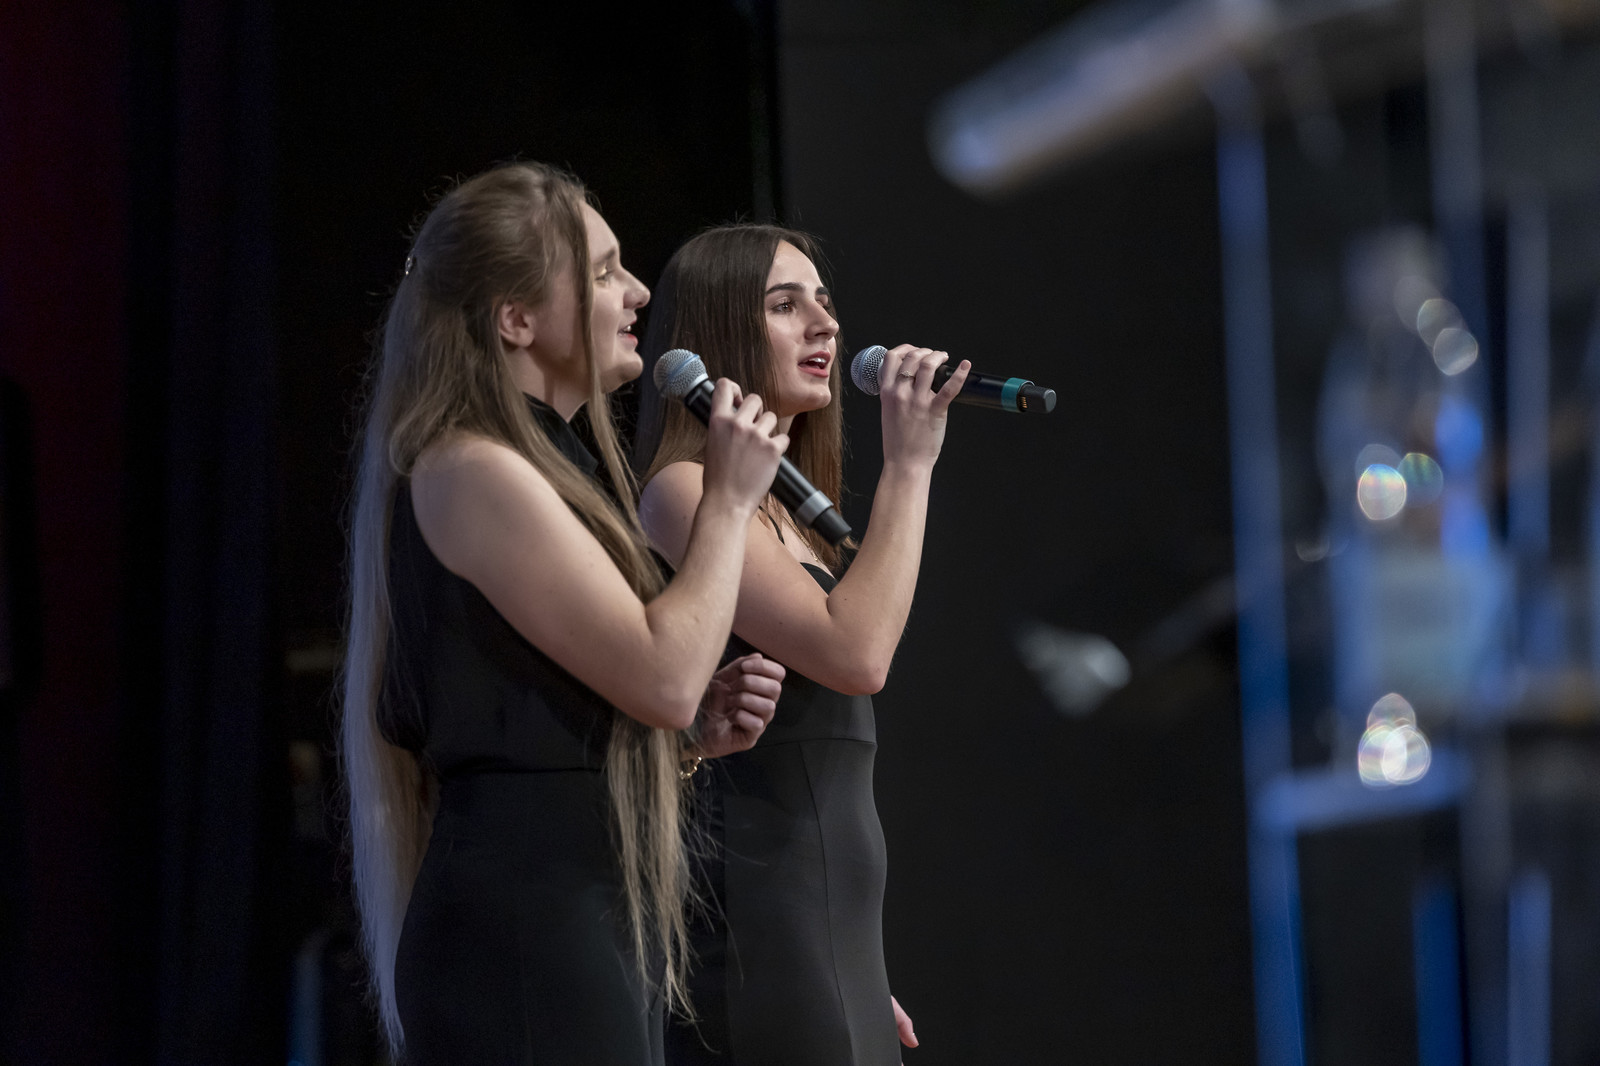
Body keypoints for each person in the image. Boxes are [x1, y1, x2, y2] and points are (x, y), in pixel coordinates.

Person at [341, 163, 789, 1065]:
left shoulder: (541, 465)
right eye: (604, 271)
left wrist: (684, 738)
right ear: (515, 319)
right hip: (525, 928)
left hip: (573, 913)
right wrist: (728, 504)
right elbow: (665, 676)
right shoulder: (473, 466)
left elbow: (604, 699)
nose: (639, 291)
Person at [634, 224, 969, 1065]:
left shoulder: (792, 516)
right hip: (761, 932)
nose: (825, 324)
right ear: (719, 332)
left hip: (826, 941)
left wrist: (850, 960)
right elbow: (857, 655)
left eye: (824, 301)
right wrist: (910, 466)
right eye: (786, 305)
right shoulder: (684, 490)